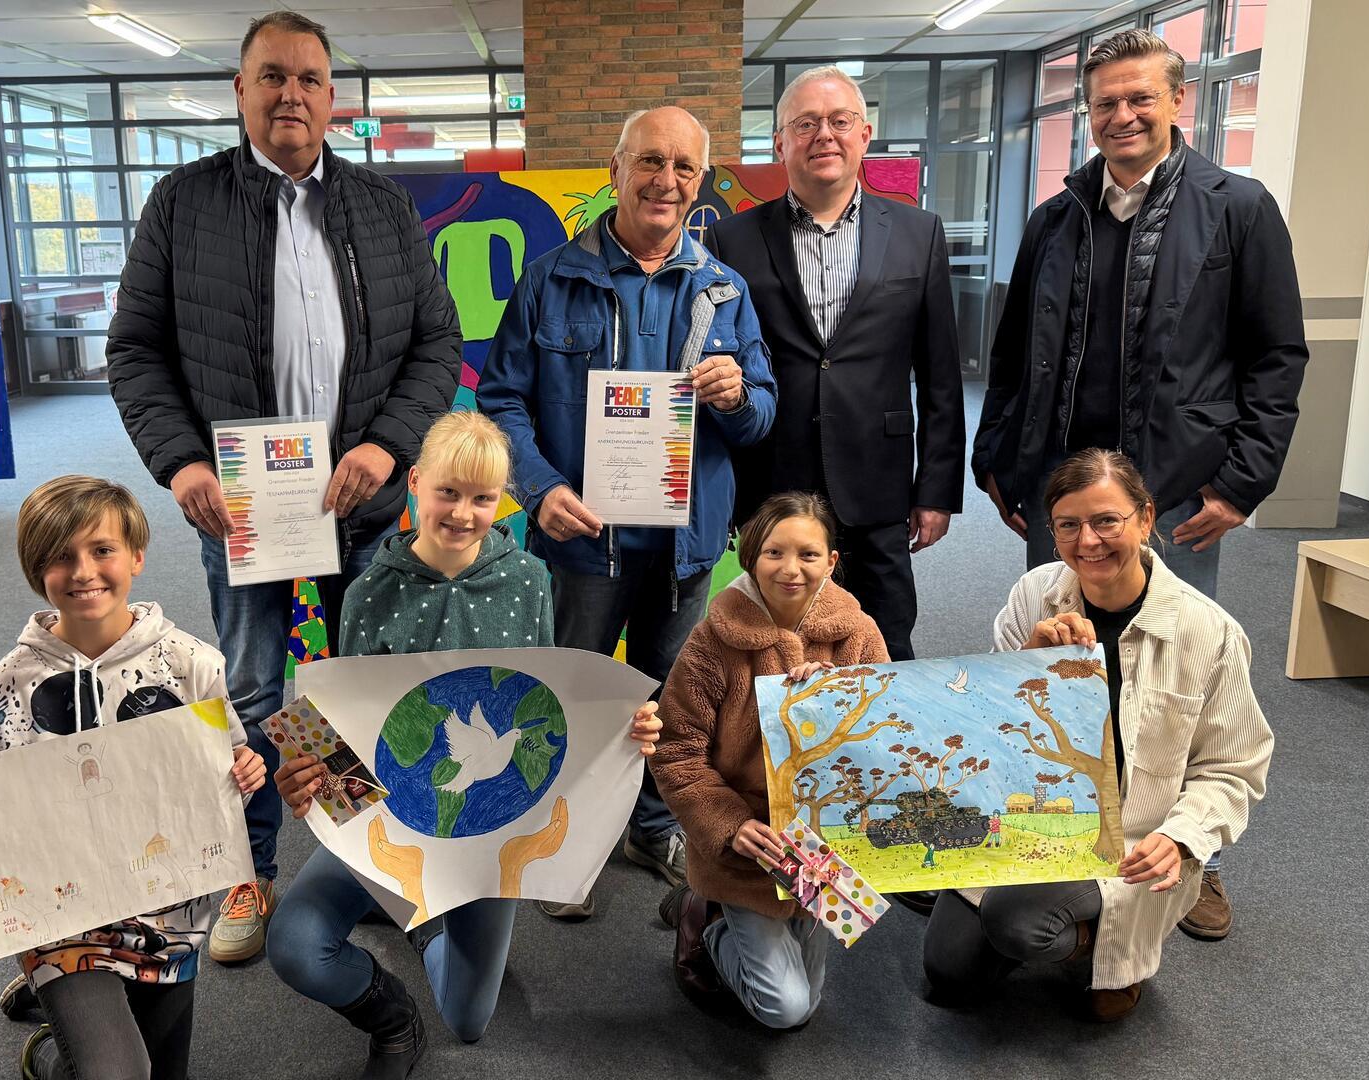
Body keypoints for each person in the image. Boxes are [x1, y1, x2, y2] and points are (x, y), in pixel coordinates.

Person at [105, 9, 461, 963]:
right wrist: (180, 463)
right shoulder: (183, 204)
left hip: (367, 500)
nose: (291, 93)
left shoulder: (381, 208)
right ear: (240, 91)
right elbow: (134, 349)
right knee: (258, 688)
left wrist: (388, 447)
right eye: (272, 76)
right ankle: (249, 873)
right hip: (243, 507)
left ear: (333, 98)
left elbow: (438, 343)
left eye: (309, 78)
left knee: (368, 687)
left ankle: (366, 859)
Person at [972, 29, 1305, 937]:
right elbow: (1010, 355)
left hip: (1178, 490)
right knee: (1062, 670)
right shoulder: (1058, 215)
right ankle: (1063, 839)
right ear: (1089, 111)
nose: (1121, 116)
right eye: (1105, 102)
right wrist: (997, 455)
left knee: (1178, 681)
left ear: (1177, 102)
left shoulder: (1238, 208)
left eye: (1139, 100)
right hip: (1064, 485)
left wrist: (1243, 484)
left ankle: (1193, 855)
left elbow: (1277, 358)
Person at [264, 412, 662, 1076]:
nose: (464, 512)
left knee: (471, 1020)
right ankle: (395, 1001)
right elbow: (344, 714)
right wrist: (307, 777)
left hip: (483, 828)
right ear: (416, 484)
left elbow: (547, 703)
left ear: (501, 500)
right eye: (448, 492)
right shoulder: (368, 591)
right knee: (297, 946)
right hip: (391, 814)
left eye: (483, 497)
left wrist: (627, 728)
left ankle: (420, 923)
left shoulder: (529, 580)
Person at [476, 106, 778, 918]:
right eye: (650, 161)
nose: (666, 180)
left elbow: (761, 420)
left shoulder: (724, 289)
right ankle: (565, 840)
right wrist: (540, 489)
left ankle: (650, 825)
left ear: (700, 184)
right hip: (583, 544)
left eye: (685, 167)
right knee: (571, 695)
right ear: (615, 171)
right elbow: (501, 400)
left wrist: (736, 394)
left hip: (684, 546)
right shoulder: (549, 278)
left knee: (669, 699)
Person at [0, 475, 266, 1078]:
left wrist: (243, 770)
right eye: (60, 557)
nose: (83, 571)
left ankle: (63, 1035)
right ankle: (61, 1008)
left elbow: (222, 763)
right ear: (35, 570)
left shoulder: (193, 663)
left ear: (138, 557)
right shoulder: (6, 687)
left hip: (169, 908)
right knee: (117, 1072)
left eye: (102, 550)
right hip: (61, 919)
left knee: (160, 1069)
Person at [922, 449, 1273, 1021]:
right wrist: (1027, 663)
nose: (1088, 541)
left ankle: (1098, 947)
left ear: (1145, 518)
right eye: (1068, 525)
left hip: (1132, 837)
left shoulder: (1209, 631)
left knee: (1016, 921)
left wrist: (1183, 836)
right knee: (950, 975)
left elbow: (1233, 767)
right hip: (1031, 815)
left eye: (1106, 520)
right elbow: (979, 730)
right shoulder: (1034, 595)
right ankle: (1071, 930)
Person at [704, 65, 964, 661]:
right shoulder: (732, 240)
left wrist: (937, 491)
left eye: (839, 121)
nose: (825, 135)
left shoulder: (917, 233)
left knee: (887, 644)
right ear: (779, 144)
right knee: (771, 653)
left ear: (864, 135)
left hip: (879, 483)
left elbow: (941, 377)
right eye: (806, 124)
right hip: (772, 481)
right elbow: (722, 372)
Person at [653, 491, 889, 1029]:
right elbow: (676, 748)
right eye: (774, 553)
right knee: (786, 1011)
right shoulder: (713, 640)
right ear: (750, 556)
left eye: (808, 555)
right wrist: (729, 826)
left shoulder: (861, 635)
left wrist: (841, 699)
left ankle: (717, 916)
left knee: (809, 995)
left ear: (832, 561)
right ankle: (705, 921)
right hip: (748, 844)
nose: (790, 569)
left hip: (826, 842)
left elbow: (888, 741)